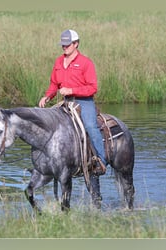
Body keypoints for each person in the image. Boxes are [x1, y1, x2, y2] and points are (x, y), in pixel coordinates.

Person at [38, 29, 106, 175]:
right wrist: (47, 96)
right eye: (63, 44)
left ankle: (101, 160)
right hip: (66, 103)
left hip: (84, 102)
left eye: (67, 44)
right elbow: (53, 84)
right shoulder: (58, 62)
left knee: (90, 127)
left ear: (76, 44)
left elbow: (92, 88)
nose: (64, 47)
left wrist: (71, 90)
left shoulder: (86, 63)